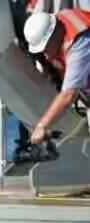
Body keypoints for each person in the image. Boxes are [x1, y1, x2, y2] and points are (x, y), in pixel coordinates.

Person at [24, 9, 90, 145]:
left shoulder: (80, 42)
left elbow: (68, 94)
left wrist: (42, 126)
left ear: (53, 34)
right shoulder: (59, 20)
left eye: (46, 47)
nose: (46, 55)